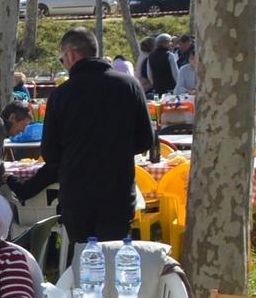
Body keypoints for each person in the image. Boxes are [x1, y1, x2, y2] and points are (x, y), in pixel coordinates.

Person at [12, 27, 153, 242]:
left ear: (70, 54)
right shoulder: (129, 85)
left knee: (85, 258)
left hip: (77, 191)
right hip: (117, 188)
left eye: (62, 59)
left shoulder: (61, 95)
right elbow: (145, 141)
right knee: (114, 255)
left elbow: (51, 153)